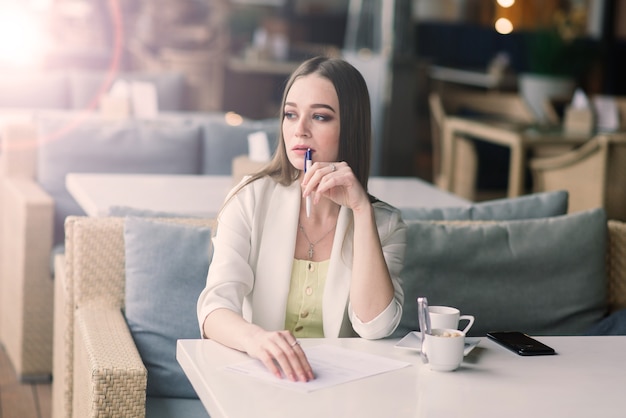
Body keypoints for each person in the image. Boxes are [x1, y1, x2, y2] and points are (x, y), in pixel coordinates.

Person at [196, 56, 407, 383]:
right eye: (291, 114)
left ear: (350, 127)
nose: (300, 130)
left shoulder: (384, 223)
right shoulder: (249, 199)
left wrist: (362, 211)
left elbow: (375, 326)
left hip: (344, 392)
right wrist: (257, 339)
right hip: (261, 380)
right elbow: (214, 311)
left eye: (320, 117)